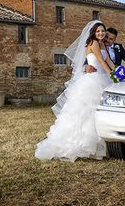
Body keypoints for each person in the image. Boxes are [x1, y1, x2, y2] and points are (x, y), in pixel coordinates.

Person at [35, 20, 114, 161]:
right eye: (98, 31)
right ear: (94, 33)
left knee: (100, 113)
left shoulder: (102, 44)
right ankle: (80, 146)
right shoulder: (93, 43)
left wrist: (119, 72)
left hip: (102, 79)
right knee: (86, 114)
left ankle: (102, 146)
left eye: (102, 31)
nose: (101, 33)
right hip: (93, 81)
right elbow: (101, 62)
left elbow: (109, 62)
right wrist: (113, 76)